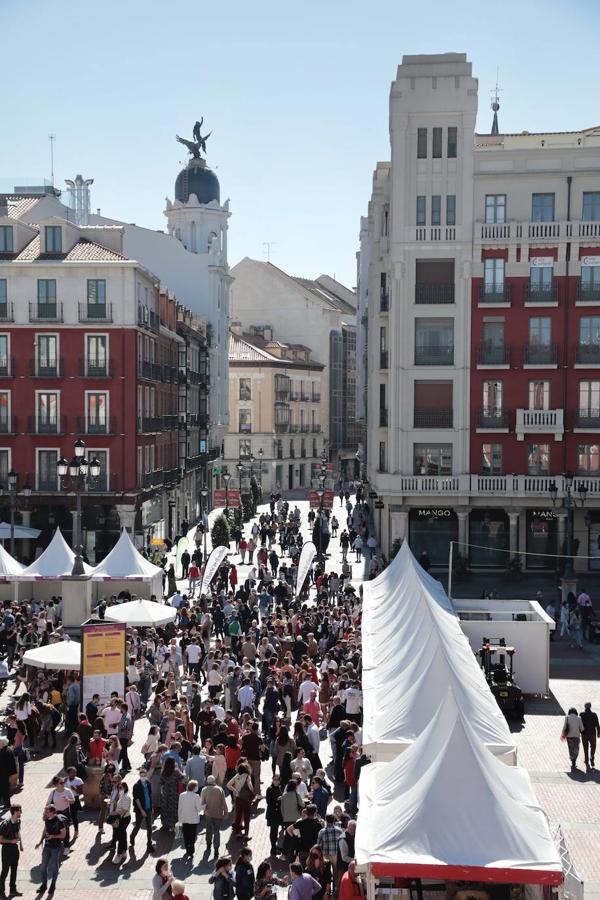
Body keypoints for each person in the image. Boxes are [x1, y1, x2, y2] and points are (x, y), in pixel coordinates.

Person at [35, 804, 66, 898]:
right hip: (47, 846)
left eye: (47, 812)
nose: (45, 813)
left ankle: (53, 884)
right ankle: (44, 885)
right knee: (43, 867)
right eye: (45, 811)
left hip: (56, 847)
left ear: (52, 812)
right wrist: (40, 842)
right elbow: (45, 830)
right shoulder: (46, 819)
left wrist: (53, 836)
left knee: (54, 866)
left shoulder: (59, 821)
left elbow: (63, 835)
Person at [200, 775, 229, 857]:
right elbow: (224, 803)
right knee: (216, 831)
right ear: (214, 782)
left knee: (208, 830)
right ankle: (216, 849)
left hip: (208, 814)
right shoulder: (220, 789)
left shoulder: (204, 790)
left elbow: (202, 803)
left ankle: (208, 846)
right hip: (218, 814)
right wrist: (226, 813)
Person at [227, 763, 255, 841]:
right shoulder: (247, 776)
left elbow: (228, 785)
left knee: (238, 816)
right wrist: (253, 793)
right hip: (246, 800)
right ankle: (246, 834)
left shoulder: (237, 776)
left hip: (238, 799)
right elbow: (250, 787)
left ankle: (238, 833)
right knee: (246, 817)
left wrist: (235, 791)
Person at [0, 804, 23, 899]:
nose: (21, 812)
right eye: (20, 811)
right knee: (5, 871)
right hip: (6, 850)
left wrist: (21, 844)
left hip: (15, 849)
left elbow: (18, 832)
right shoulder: (5, 824)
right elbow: (0, 839)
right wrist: (11, 841)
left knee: (14, 870)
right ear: (15, 811)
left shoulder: (18, 821)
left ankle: (13, 890)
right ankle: (1, 892)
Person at [130, 768, 155, 852]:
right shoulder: (136, 786)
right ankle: (132, 837)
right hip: (140, 810)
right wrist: (141, 810)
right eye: (142, 775)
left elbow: (150, 795)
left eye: (144, 775)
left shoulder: (148, 783)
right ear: (139, 776)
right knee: (138, 825)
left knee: (149, 827)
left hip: (148, 808)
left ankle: (149, 844)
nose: (143, 777)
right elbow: (136, 799)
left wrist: (152, 807)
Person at [177, 780, 203, 857]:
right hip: (193, 820)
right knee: (192, 835)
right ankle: (191, 851)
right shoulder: (196, 796)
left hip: (184, 819)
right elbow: (199, 809)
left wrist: (179, 819)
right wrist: (204, 806)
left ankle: (187, 849)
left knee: (186, 835)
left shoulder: (182, 795)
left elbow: (179, 808)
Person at [581, 701, 600, 771]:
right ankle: (592, 757)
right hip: (592, 734)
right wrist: (598, 732)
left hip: (584, 734)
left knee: (585, 748)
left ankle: (586, 761)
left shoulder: (582, 714)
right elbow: (597, 724)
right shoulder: (594, 715)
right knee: (593, 746)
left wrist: (580, 732)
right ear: (590, 707)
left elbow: (580, 724)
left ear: (585, 707)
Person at [0, 739, 16, 810]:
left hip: (4, 774)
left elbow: (2, 763)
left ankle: (7, 805)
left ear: (3, 743)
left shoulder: (4, 751)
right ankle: (7, 805)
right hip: (7, 774)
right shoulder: (8, 749)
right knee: (4, 789)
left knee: (5, 790)